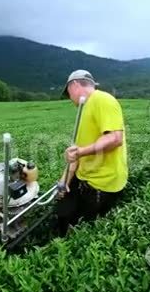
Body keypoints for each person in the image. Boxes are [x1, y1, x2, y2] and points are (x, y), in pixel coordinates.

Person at [55, 69, 128, 236]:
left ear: (74, 85)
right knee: (62, 216)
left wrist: (81, 151)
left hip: (102, 184)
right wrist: (63, 182)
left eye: (68, 93)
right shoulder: (83, 110)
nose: (69, 98)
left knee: (82, 229)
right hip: (84, 176)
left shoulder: (102, 99)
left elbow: (115, 138)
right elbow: (76, 156)